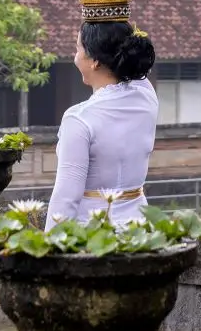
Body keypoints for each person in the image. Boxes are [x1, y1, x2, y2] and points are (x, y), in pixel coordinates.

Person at [45, 21, 158, 228]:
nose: (75, 57)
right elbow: (135, 69)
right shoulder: (147, 97)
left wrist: (49, 249)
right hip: (141, 229)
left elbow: (66, 197)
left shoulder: (79, 118)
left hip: (94, 234)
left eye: (77, 49)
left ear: (95, 60)